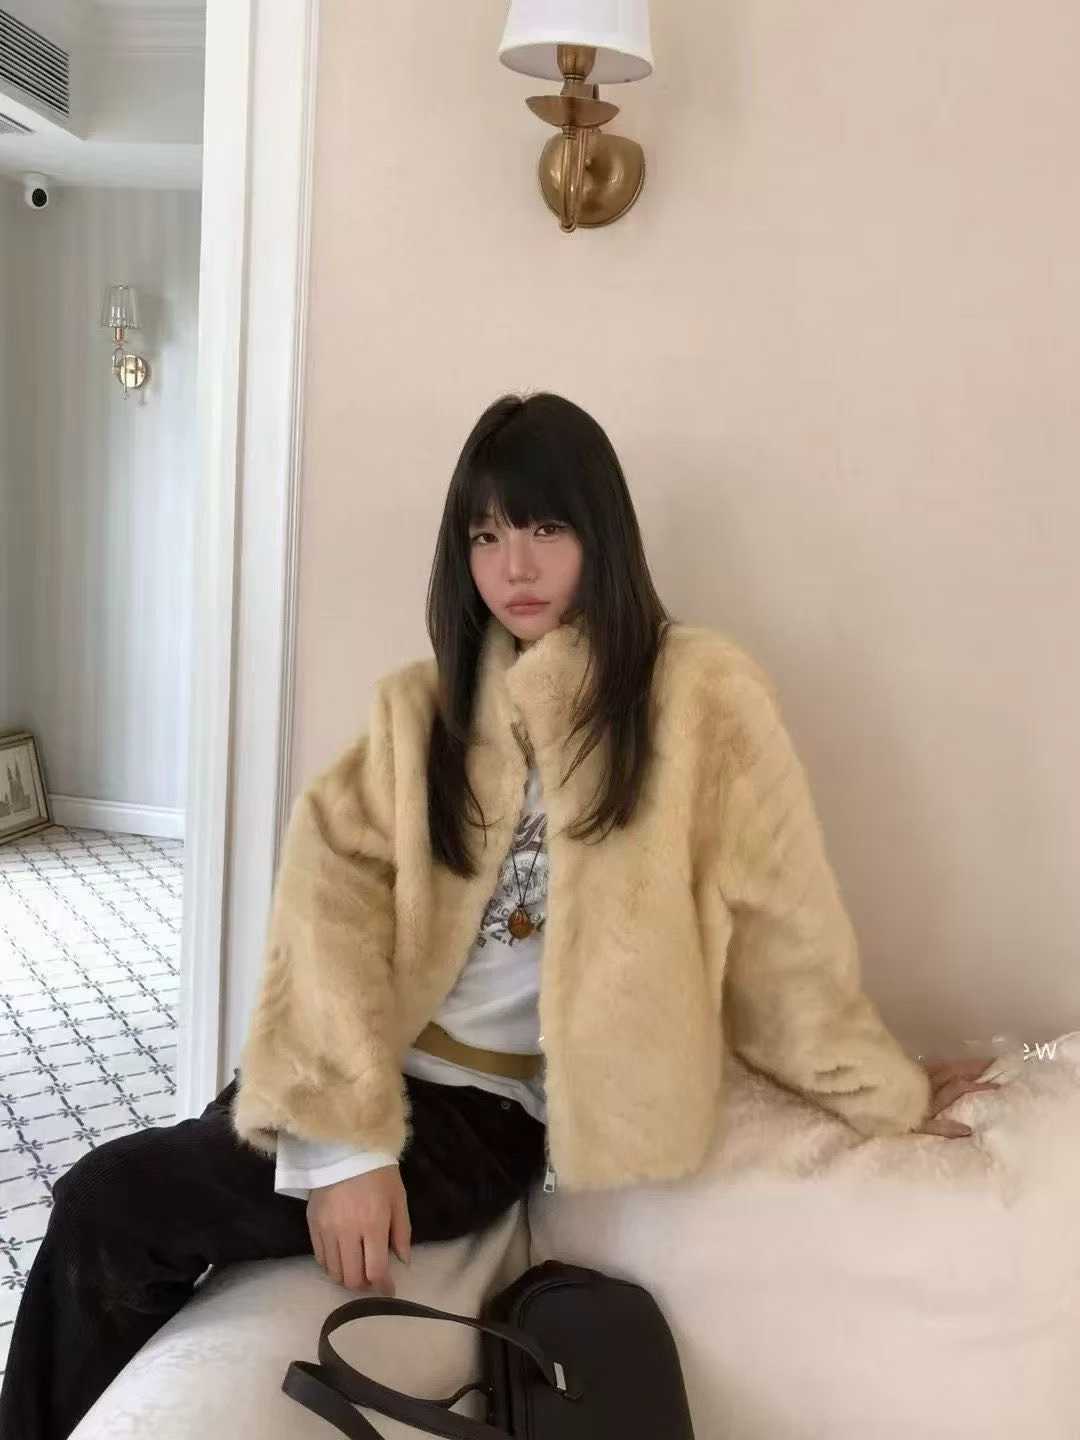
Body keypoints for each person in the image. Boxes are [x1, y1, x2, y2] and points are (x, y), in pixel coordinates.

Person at [0, 392, 998, 1440]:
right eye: (485, 536)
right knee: (118, 1231)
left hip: (473, 1121)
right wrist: (343, 1145)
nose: (514, 567)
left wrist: (882, 1089)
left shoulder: (698, 700)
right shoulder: (429, 711)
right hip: (347, 1072)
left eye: (545, 528)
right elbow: (328, 904)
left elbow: (781, 935)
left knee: (110, 1203)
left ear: (601, 536)